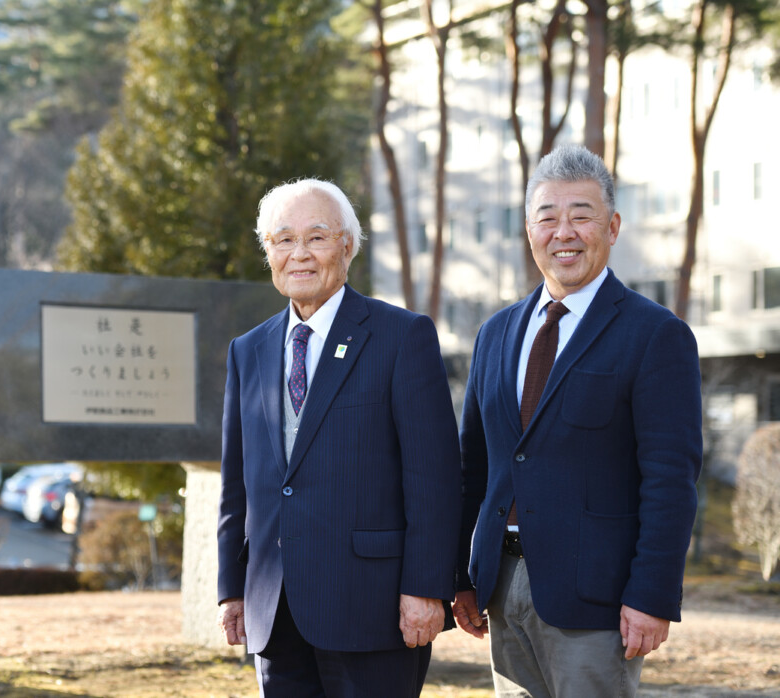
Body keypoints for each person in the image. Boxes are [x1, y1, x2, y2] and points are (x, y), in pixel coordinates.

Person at [452, 144, 702, 696]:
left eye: (581, 216)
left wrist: (652, 595)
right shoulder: (496, 333)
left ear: (612, 227)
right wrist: (459, 577)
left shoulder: (655, 335)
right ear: (528, 229)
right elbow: (472, 467)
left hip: (598, 599)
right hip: (501, 584)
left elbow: (670, 479)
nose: (563, 231)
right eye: (547, 216)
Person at [217, 178, 462, 697]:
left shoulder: (402, 337)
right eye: (283, 240)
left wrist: (426, 587)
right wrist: (230, 589)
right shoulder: (248, 350)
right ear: (269, 252)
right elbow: (237, 483)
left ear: (347, 246)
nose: (299, 254)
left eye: (318, 237)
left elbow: (434, 478)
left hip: (372, 610)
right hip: (274, 611)